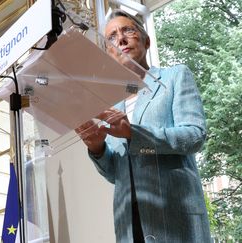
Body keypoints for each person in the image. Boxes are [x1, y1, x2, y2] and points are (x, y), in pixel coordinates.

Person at [76, 10, 212, 242]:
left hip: (176, 220)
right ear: (109, 53)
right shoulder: (112, 104)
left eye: (128, 30)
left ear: (146, 41)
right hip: (130, 225)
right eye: (111, 37)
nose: (120, 39)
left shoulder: (174, 78)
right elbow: (114, 174)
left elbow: (195, 136)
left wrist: (133, 133)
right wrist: (97, 148)